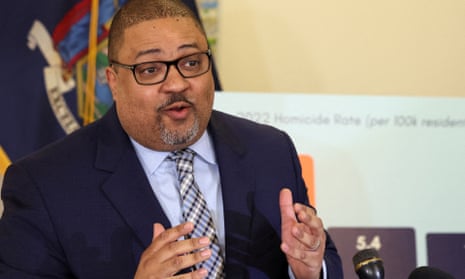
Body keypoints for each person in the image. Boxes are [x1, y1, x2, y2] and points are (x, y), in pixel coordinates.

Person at [0, 0, 343, 278]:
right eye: (150, 70)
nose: (177, 83)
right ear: (113, 81)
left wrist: (311, 270)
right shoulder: (43, 184)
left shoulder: (269, 151)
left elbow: (320, 257)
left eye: (192, 63)